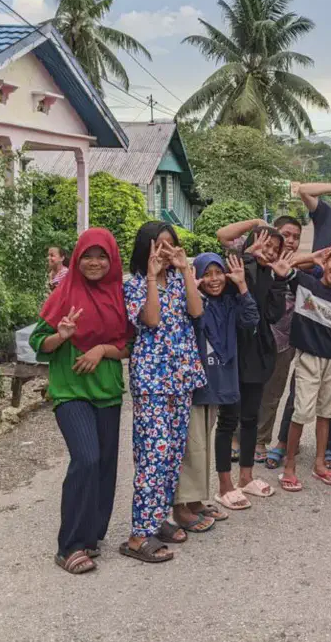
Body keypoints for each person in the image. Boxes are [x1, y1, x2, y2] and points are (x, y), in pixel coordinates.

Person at [31, 228, 130, 575]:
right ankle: (69, 545)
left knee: (104, 466)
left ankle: (91, 537)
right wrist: (61, 336)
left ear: (112, 259)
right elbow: (37, 342)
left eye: (102, 256)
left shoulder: (119, 294)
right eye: (88, 255)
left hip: (107, 391)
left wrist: (102, 349)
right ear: (76, 258)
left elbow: (128, 344)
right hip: (70, 391)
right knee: (86, 459)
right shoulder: (64, 292)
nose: (94, 262)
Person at [119, 223, 206, 564]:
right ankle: (138, 536)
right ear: (145, 249)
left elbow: (197, 312)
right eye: (159, 246)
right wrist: (153, 277)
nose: (165, 252)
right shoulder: (135, 285)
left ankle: (157, 520)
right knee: (152, 458)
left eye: (171, 245)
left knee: (171, 457)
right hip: (152, 381)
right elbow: (151, 320)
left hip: (181, 378)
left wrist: (185, 269)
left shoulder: (181, 279)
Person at [172, 253, 258, 526]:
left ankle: (196, 500)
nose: (213, 279)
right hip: (198, 383)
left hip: (220, 381)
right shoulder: (195, 302)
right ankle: (181, 505)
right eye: (206, 274)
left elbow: (250, 320)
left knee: (203, 446)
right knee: (192, 446)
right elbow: (186, 317)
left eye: (218, 272)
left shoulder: (230, 304)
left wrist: (242, 285)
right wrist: (190, 285)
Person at [276, 246, 331, 491]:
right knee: (301, 412)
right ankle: (289, 467)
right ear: (326, 262)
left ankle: (319, 463)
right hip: (308, 359)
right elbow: (285, 266)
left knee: (327, 413)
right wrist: (310, 258)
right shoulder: (306, 284)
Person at [213, 226, 288, 508]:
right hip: (233, 351)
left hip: (258, 354)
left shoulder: (270, 273)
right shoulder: (238, 264)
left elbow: (272, 314)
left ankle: (246, 477)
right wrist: (247, 257)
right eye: (265, 245)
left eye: (275, 249)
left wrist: (280, 281)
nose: (269, 252)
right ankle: (225, 485)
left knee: (250, 418)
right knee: (228, 420)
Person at [249, 215, 303, 467]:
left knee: (272, 392)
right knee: (247, 388)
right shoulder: (254, 261)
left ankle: (260, 439)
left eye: (296, 237)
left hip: (283, 339)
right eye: (286, 235)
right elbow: (223, 235)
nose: (290, 241)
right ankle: (239, 438)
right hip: (252, 338)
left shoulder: (297, 266)